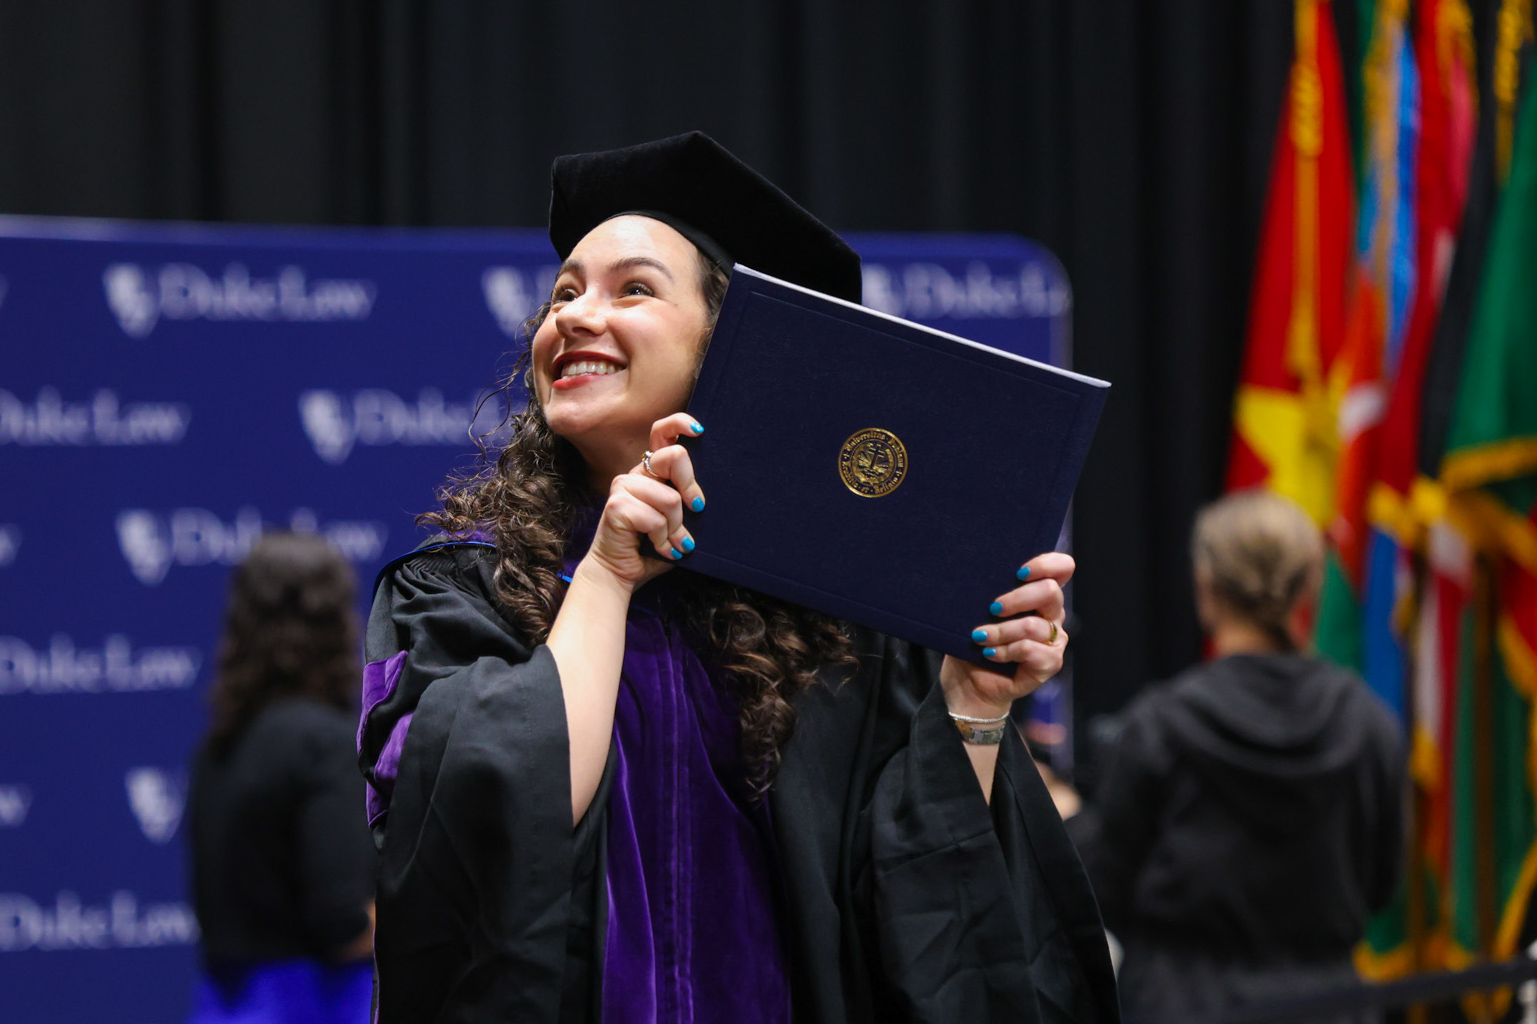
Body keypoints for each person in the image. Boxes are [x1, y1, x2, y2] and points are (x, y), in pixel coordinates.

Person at [358, 131, 1117, 1023]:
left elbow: (920, 919)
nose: (573, 317)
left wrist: (972, 708)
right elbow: (482, 835)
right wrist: (606, 573)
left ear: (733, 347)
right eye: (563, 293)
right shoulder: (459, 595)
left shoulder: (835, 623)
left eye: (632, 289)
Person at [1066, 489, 1405, 1023]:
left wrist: (1066, 820)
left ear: (1206, 588)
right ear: (1311, 586)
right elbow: (1382, 888)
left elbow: (1102, 886)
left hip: (1181, 1007)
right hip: (1329, 1007)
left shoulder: (1160, 725)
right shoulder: (1370, 724)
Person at [187, 532, 376, 1024]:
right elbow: (342, 923)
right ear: (337, 624)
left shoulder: (218, 749)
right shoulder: (325, 743)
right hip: (313, 1008)